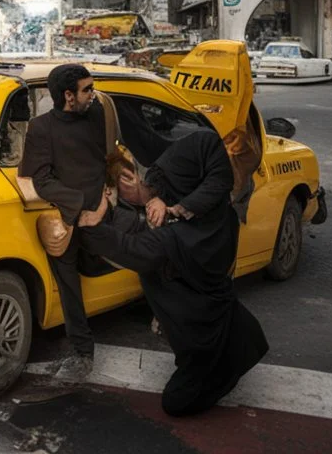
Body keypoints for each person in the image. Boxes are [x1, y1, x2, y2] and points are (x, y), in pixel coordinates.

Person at [79, 132, 268, 416]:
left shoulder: (172, 240)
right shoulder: (219, 219)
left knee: (176, 404)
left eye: (163, 187)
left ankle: (224, 368)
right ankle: (242, 343)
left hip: (201, 343)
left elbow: (133, 249)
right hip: (216, 310)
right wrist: (152, 200)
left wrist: (90, 224)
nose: (155, 189)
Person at [18, 63, 107, 381]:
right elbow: (40, 179)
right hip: (67, 219)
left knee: (145, 252)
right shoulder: (41, 128)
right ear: (68, 95)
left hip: (102, 213)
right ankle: (83, 352)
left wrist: (101, 203)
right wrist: (76, 205)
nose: (92, 95)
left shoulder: (97, 114)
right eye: (86, 90)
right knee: (69, 286)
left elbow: (104, 158)